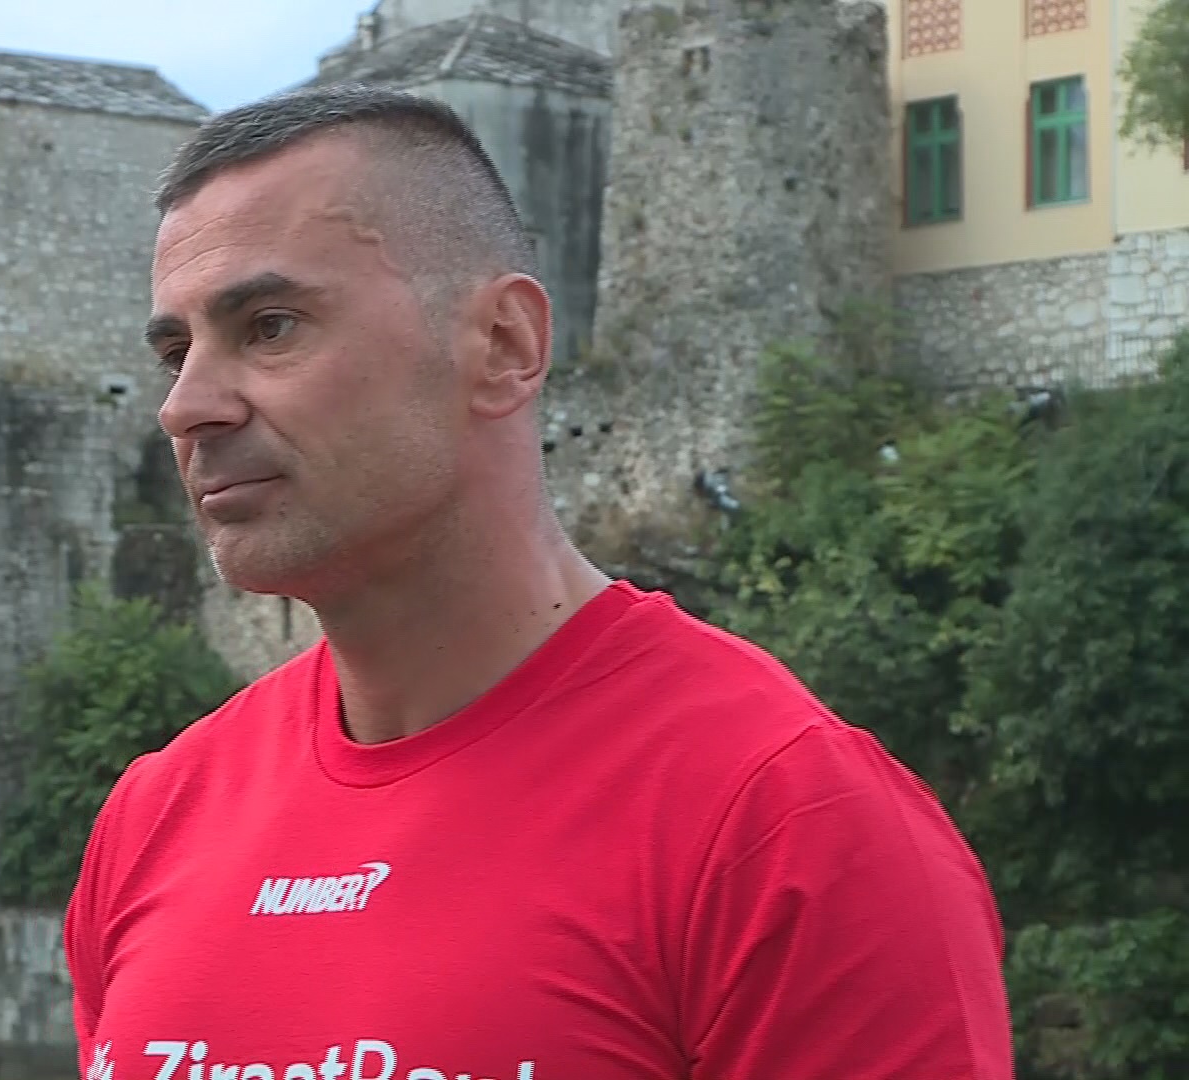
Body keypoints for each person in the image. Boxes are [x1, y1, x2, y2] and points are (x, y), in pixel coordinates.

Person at [63, 84, 1014, 1080]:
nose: (186, 407)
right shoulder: (153, 818)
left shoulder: (786, 824)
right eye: (176, 352)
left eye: (269, 326)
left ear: (503, 345)